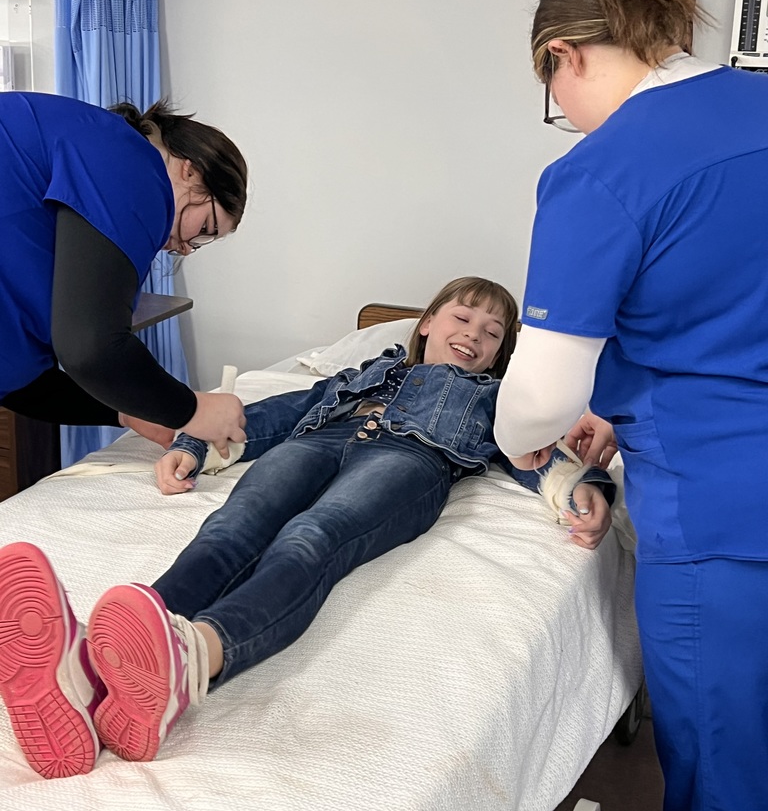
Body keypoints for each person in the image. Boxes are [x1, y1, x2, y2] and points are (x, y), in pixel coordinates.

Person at [0, 276, 616, 779]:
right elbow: (283, 411)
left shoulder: (494, 395)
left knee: (312, 538)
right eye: (463, 317)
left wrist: (577, 487)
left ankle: (193, 659)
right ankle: (106, 663)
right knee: (230, 529)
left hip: (411, 459)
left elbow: (532, 449)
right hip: (322, 438)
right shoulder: (369, 370)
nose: (473, 335)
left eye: (492, 332)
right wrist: (198, 441)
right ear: (426, 323)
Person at [493, 0, 768, 811]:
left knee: (732, 799)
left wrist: (523, 441)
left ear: (564, 56)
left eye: (552, 92)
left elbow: (537, 394)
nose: (562, 117)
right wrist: (625, 401)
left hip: (726, 523)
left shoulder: (606, 169)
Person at [0, 91, 249, 455]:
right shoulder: (129, 159)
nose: (185, 247)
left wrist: (127, 412)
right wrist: (193, 409)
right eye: (207, 229)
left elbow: (19, 381)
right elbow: (90, 348)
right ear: (191, 169)